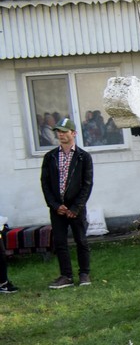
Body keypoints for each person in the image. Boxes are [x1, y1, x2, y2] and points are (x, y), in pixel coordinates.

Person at [41, 117, 93, 289]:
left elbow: (87, 184)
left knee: (81, 240)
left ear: (74, 133)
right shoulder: (50, 157)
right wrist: (55, 205)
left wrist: (75, 207)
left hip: (75, 208)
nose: (61, 135)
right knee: (60, 242)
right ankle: (66, 276)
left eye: (64, 132)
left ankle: (84, 274)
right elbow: (45, 183)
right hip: (58, 209)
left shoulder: (83, 157)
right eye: (59, 132)